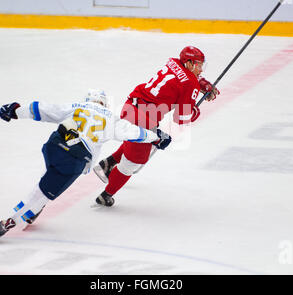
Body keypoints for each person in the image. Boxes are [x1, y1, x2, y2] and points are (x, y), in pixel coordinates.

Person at [0, 89, 172, 243]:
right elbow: (134, 133)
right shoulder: (111, 119)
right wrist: (157, 137)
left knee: (49, 175)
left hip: (53, 147)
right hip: (75, 159)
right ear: (104, 104)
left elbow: (46, 110)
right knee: (41, 193)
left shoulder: (77, 106)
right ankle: (8, 222)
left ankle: (33, 209)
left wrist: (16, 110)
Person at [93, 46, 220, 207]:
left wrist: (199, 82)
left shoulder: (173, 63)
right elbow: (181, 118)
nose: (201, 69)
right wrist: (194, 110)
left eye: (202, 65)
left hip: (131, 105)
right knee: (132, 163)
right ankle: (106, 195)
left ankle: (107, 164)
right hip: (144, 120)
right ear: (188, 63)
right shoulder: (191, 84)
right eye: (198, 65)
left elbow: (180, 80)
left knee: (134, 142)